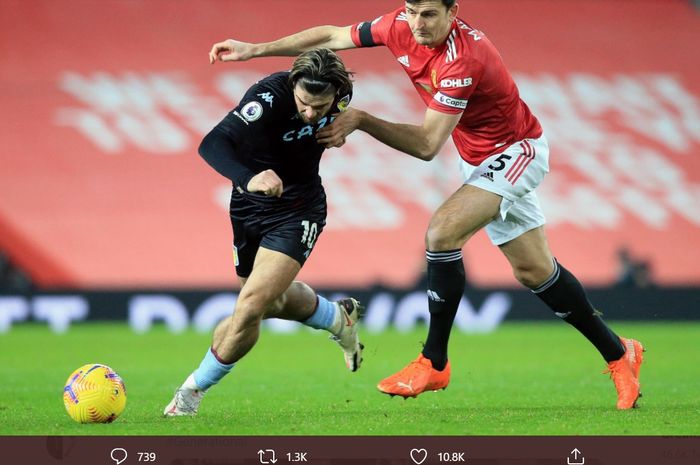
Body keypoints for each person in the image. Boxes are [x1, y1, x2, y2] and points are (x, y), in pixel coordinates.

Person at [208, 0, 644, 409]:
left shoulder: (463, 59)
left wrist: (361, 119)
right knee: (534, 270)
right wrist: (256, 50)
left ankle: (434, 361)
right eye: (413, 11)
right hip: (477, 160)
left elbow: (427, 144)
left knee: (441, 231)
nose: (418, 23)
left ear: (454, 12)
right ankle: (619, 352)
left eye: (431, 13)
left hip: (516, 150)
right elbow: (333, 36)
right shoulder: (399, 25)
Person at [164, 49, 363, 416]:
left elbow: (340, 117)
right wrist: (249, 177)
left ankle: (191, 392)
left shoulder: (342, 94)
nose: (310, 113)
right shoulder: (267, 97)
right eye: (304, 103)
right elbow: (211, 143)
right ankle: (337, 317)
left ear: (336, 94)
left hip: (299, 209)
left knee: (251, 305)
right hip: (248, 204)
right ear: (293, 87)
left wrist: (344, 126)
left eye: (320, 107)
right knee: (270, 302)